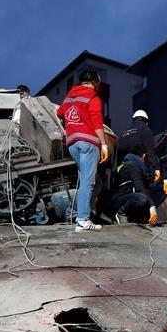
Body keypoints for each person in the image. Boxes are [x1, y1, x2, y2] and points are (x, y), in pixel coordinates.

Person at [58, 70, 108, 232]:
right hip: (88, 143)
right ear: (96, 83)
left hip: (72, 144)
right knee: (88, 182)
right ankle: (83, 219)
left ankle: (86, 210)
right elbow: (97, 122)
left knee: (96, 181)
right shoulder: (93, 97)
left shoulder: (69, 97)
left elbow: (58, 113)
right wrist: (104, 144)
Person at [118, 110, 166, 209]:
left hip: (122, 171)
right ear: (146, 121)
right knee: (158, 189)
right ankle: (145, 212)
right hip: (138, 169)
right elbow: (151, 152)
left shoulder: (124, 134)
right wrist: (157, 168)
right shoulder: (145, 130)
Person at [110, 144, 157, 225]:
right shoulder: (131, 165)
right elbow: (139, 187)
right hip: (120, 198)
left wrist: (165, 180)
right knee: (142, 199)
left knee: (160, 189)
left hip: (129, 195)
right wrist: (152, 207)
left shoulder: (137, 165)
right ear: (144, 155)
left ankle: (140, 215)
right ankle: (121, 212)